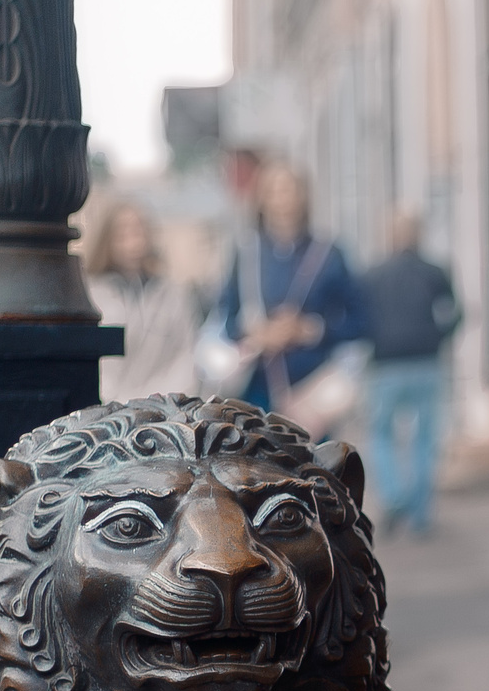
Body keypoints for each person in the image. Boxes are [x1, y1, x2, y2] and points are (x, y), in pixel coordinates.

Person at [198, 164, 366, 426]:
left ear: (304, 196)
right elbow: (226, 318)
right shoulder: (247, 254)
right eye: (274, 191)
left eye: (290, 190)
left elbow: (359, 321)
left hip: (314, 388)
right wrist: (258, 333)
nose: (283, 199)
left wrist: (310, 330)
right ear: (262, 199)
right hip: (257, 388)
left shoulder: (329, 254)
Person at [359, 211, 462, 535]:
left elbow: (360, 320)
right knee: (425, 439)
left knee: (381, 436)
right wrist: (437, 338)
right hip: (425, 362)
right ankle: (419, 514)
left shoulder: (372, 275)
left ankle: (394, 496)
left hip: (385, 364)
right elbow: (455, 312)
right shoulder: (434, 272)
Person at [86, 204, 200, 399]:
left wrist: (166, 401)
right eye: (123, 233)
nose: (133, 241)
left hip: (162, 408)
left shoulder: (170, 293)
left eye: (138, 230)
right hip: (109, 407)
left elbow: (184, 355)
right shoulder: (93, 293)